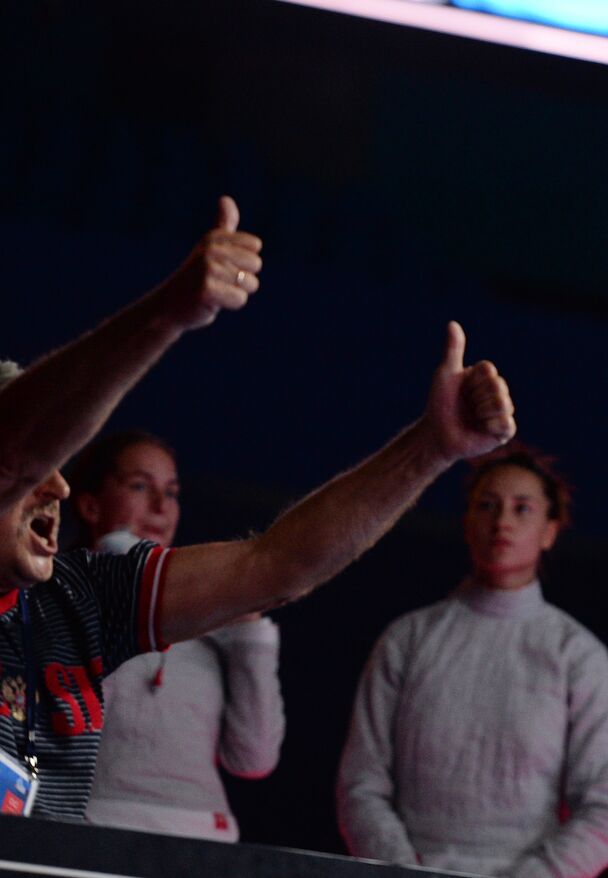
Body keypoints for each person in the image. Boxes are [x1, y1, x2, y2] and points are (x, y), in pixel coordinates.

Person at [0, 197, 516, 819]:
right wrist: (164, 317)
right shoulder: (17, 457)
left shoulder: (83, 598)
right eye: (38, 471)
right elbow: (16, 448)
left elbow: (277, 564)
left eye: (60, 469)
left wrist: (429, 451)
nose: (54, 488)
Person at [337, 444, 608, 878]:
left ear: (550, 530)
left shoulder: (577, 654)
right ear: (467, 522)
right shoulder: (408, 639)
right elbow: (360, 786)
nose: (502, 522)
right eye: (488, 506)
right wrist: (404, 872)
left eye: (522, 509)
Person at [67, 430, 285, 841]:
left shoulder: (209, 623)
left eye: (171, 492)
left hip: (205, 841)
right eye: (139, 486)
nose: (160, 506)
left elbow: (253, 757)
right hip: (95, 834)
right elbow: (58, 730)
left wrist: (248, 632)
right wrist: (116, 568)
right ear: (90, 505)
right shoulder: (55, 603)